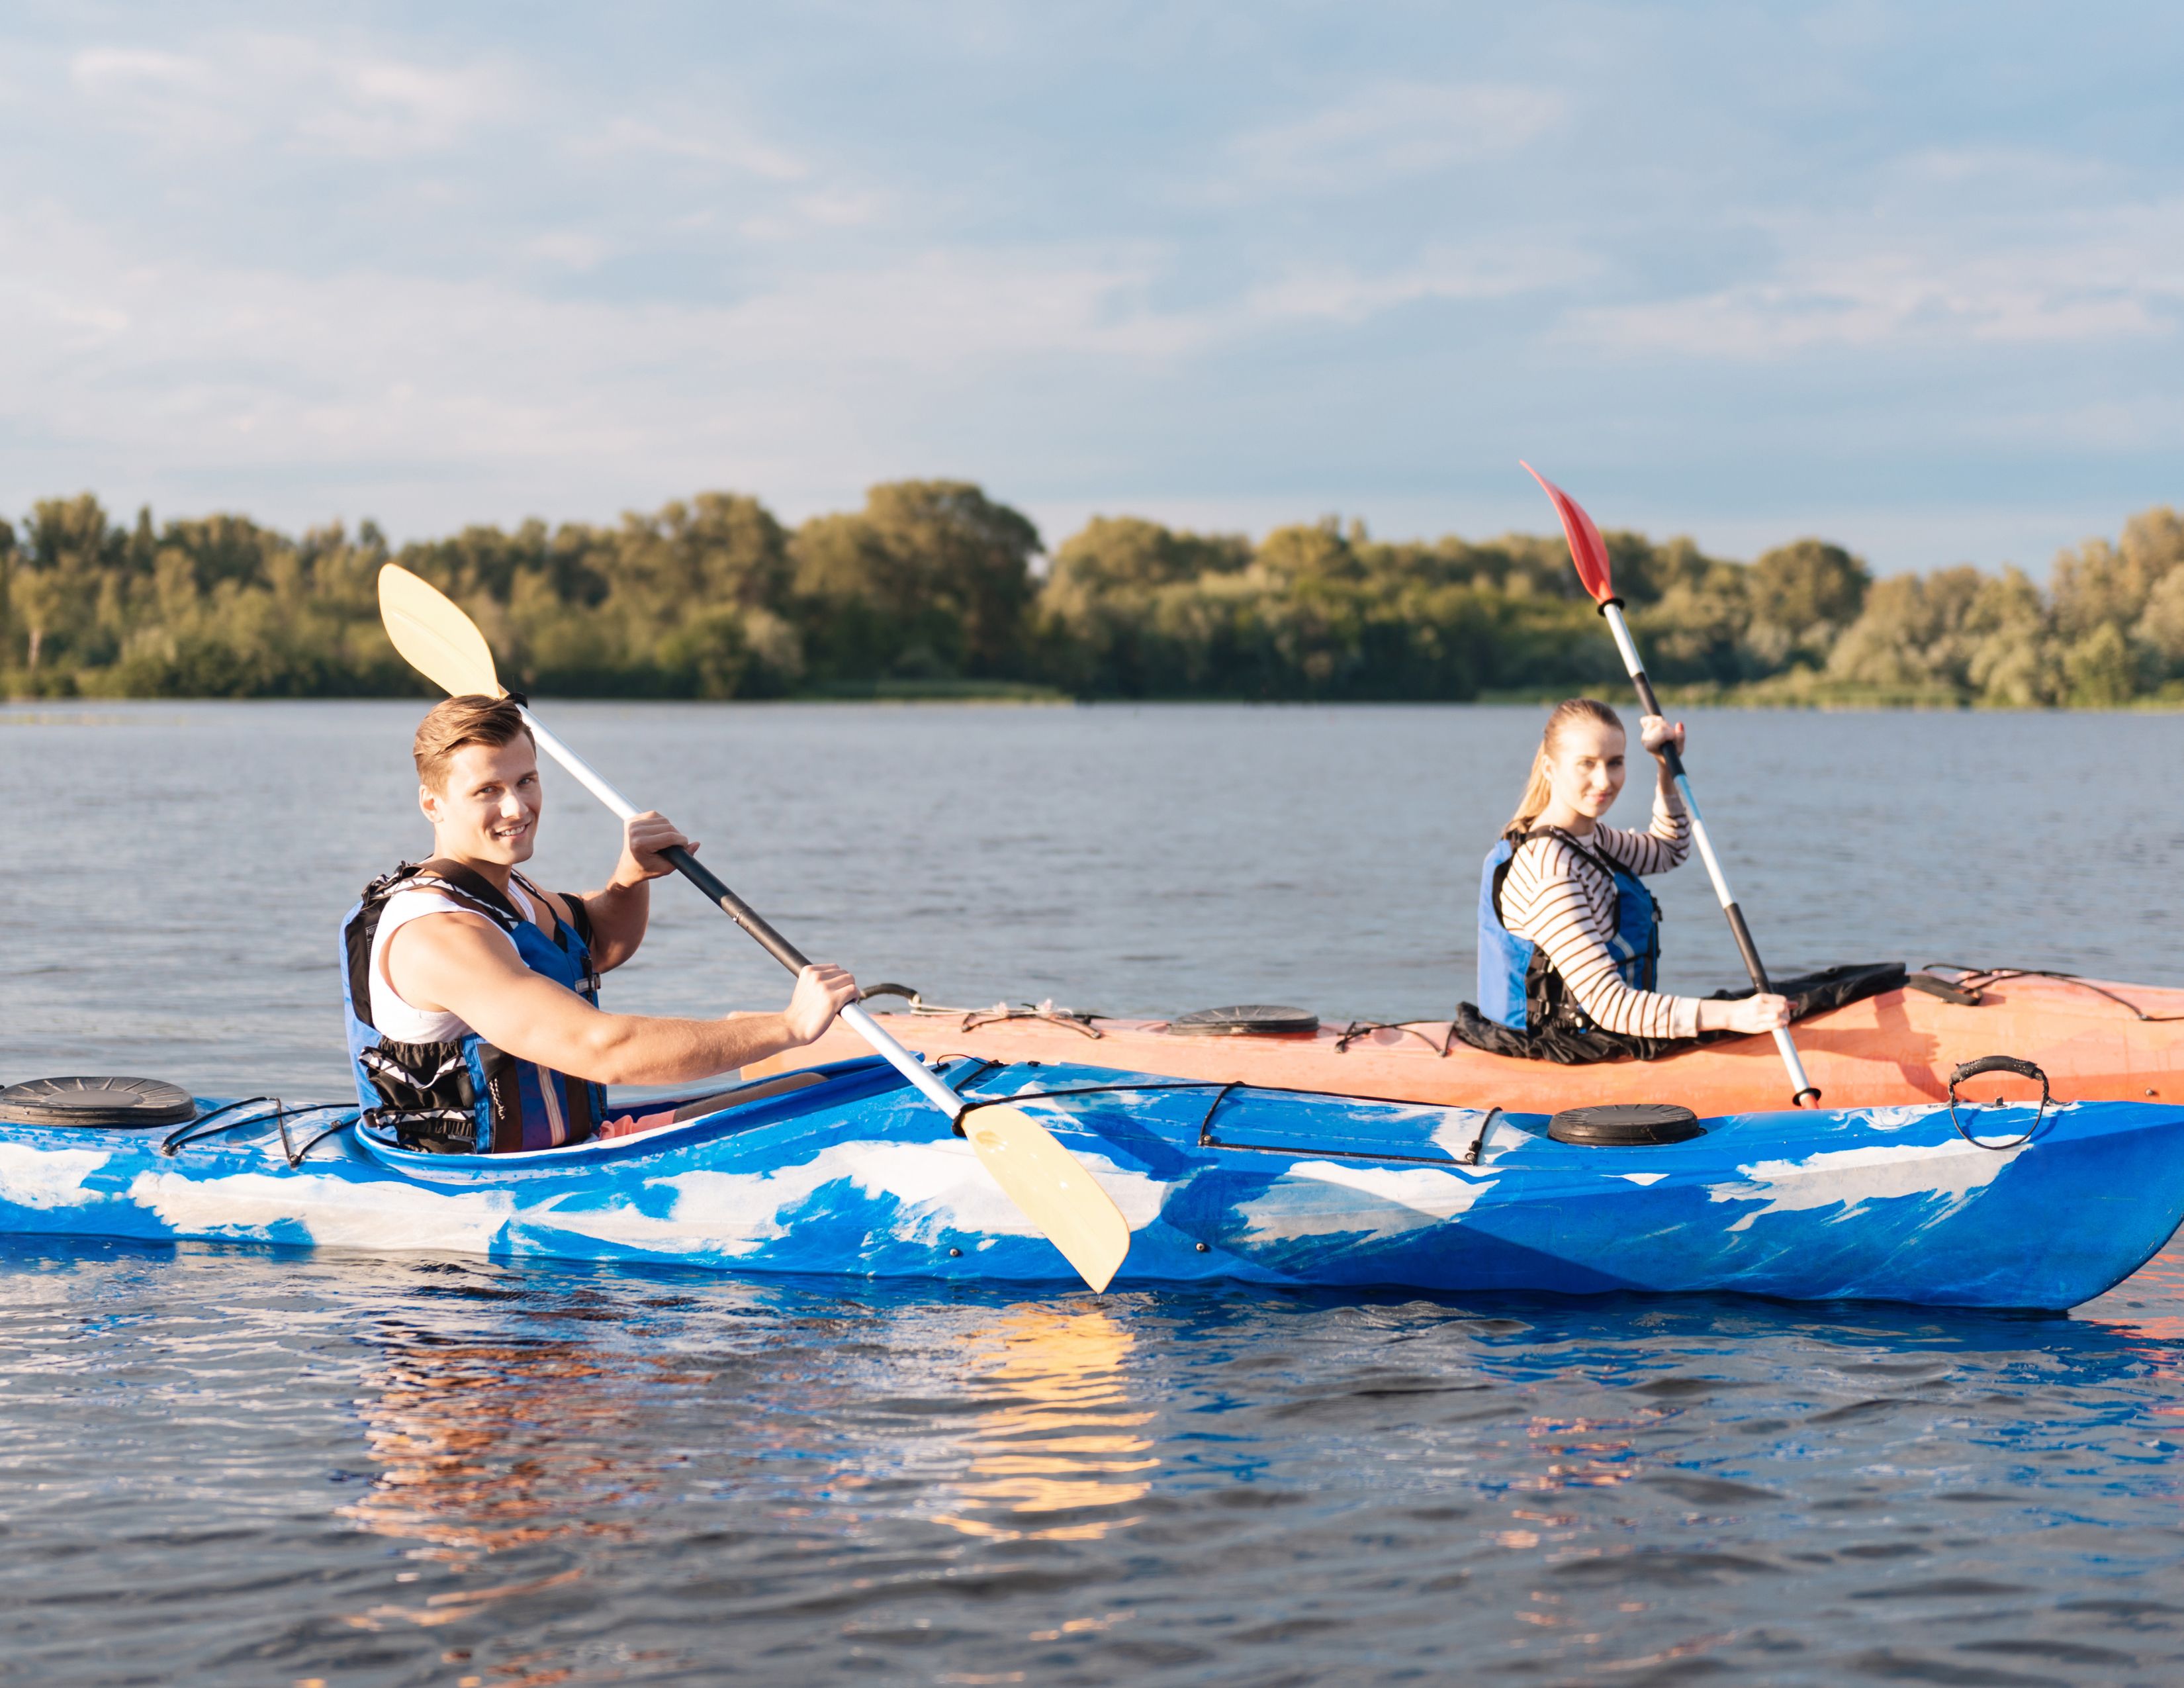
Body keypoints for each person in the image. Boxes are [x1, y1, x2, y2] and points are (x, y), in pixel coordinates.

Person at [340, 694, 858, 1153]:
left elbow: (601, 944)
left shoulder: (510, 890)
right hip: (485, 1180)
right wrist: (788, 1026)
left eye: (527, 780)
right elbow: (601, 1049)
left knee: (816, 1088)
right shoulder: (439, 937)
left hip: (583, 1146)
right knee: (818, 1099)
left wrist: (629, 880)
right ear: (433, 803)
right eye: (487, 791)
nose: (517, 807)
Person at [1465, 697, 1790, 1059]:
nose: (1604, 780)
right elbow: (1611, 1005)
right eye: (1586, 764)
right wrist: (1735, 1014)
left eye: (1615, 763)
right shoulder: (1549, 870)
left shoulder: (1590, 838)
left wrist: (1665, 768)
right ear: (1549, 768)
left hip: (1598, 1035)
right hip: (1560, 1051)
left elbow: (1668, 851)